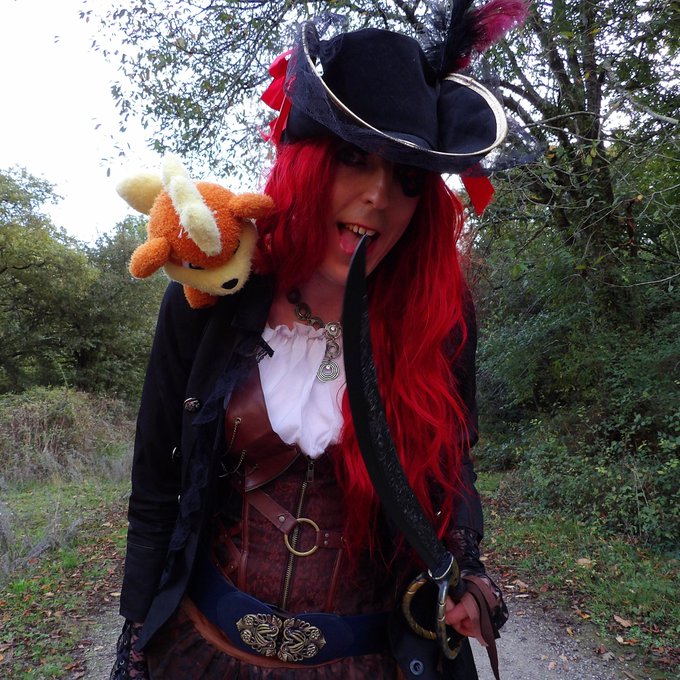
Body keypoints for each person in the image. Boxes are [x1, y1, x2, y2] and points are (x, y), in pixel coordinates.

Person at [111, 3, 527, 678]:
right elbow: (156, 482)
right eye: (353, 159)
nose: (378, 196)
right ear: (305, 164)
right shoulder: (212, 297)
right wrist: (134, 638)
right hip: (201, 654)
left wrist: (468, 567)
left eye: (407, 178)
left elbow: (452, 464)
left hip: (368, 661)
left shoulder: (441, 321)